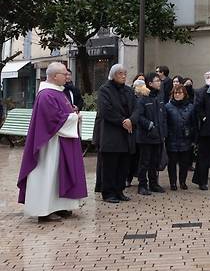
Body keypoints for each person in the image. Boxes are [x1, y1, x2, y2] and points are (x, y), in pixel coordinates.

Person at [17, 62, 87, 221]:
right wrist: (74, 118)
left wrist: (72, 115)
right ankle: (44, 209)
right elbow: (52, 119)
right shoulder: (47, 94)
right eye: (64, 74)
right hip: (49, 145)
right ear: (55, 76)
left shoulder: (57, 92)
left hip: (59, 142)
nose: (67, 77)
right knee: (49, 174)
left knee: (57, 175)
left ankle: (59, 206)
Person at [97, 64, 139, 204]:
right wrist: (123, 121)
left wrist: (131, 120)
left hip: (127, 134)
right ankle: (108, 192)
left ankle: (119, 190)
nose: (123, 76)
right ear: (113, 74)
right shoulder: (105, 90)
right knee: (110, 165)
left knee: (123, 164)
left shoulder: (128, 91)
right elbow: (106, 110)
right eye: (120, 73)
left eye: (125, 73)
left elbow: (137, 108)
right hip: (111, 134)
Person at [135, 72, 167, 196]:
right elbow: (139, 116)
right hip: (145, 136)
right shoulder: (143, 98)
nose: (159, 83)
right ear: (150, 83)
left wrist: (163, 131)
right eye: (157, 81)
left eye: (160, 81)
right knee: (145, 161)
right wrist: (150, 125)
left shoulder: (159, 97)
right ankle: (142, 185)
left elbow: (163, 115)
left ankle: (154, 183)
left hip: (158, 136)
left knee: (155, 161)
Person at [165, 85, 196, 190]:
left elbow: (194, 123)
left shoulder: (190, 107)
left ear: (184, 94)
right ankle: (173, 183)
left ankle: (182, 182)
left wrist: (192, 135)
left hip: (186, 138)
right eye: (175, 93)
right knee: (172, 163)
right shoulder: (167, 107)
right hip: (172, 138)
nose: (177, 95)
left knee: (184, 163)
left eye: (180, 93)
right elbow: (165, 123)